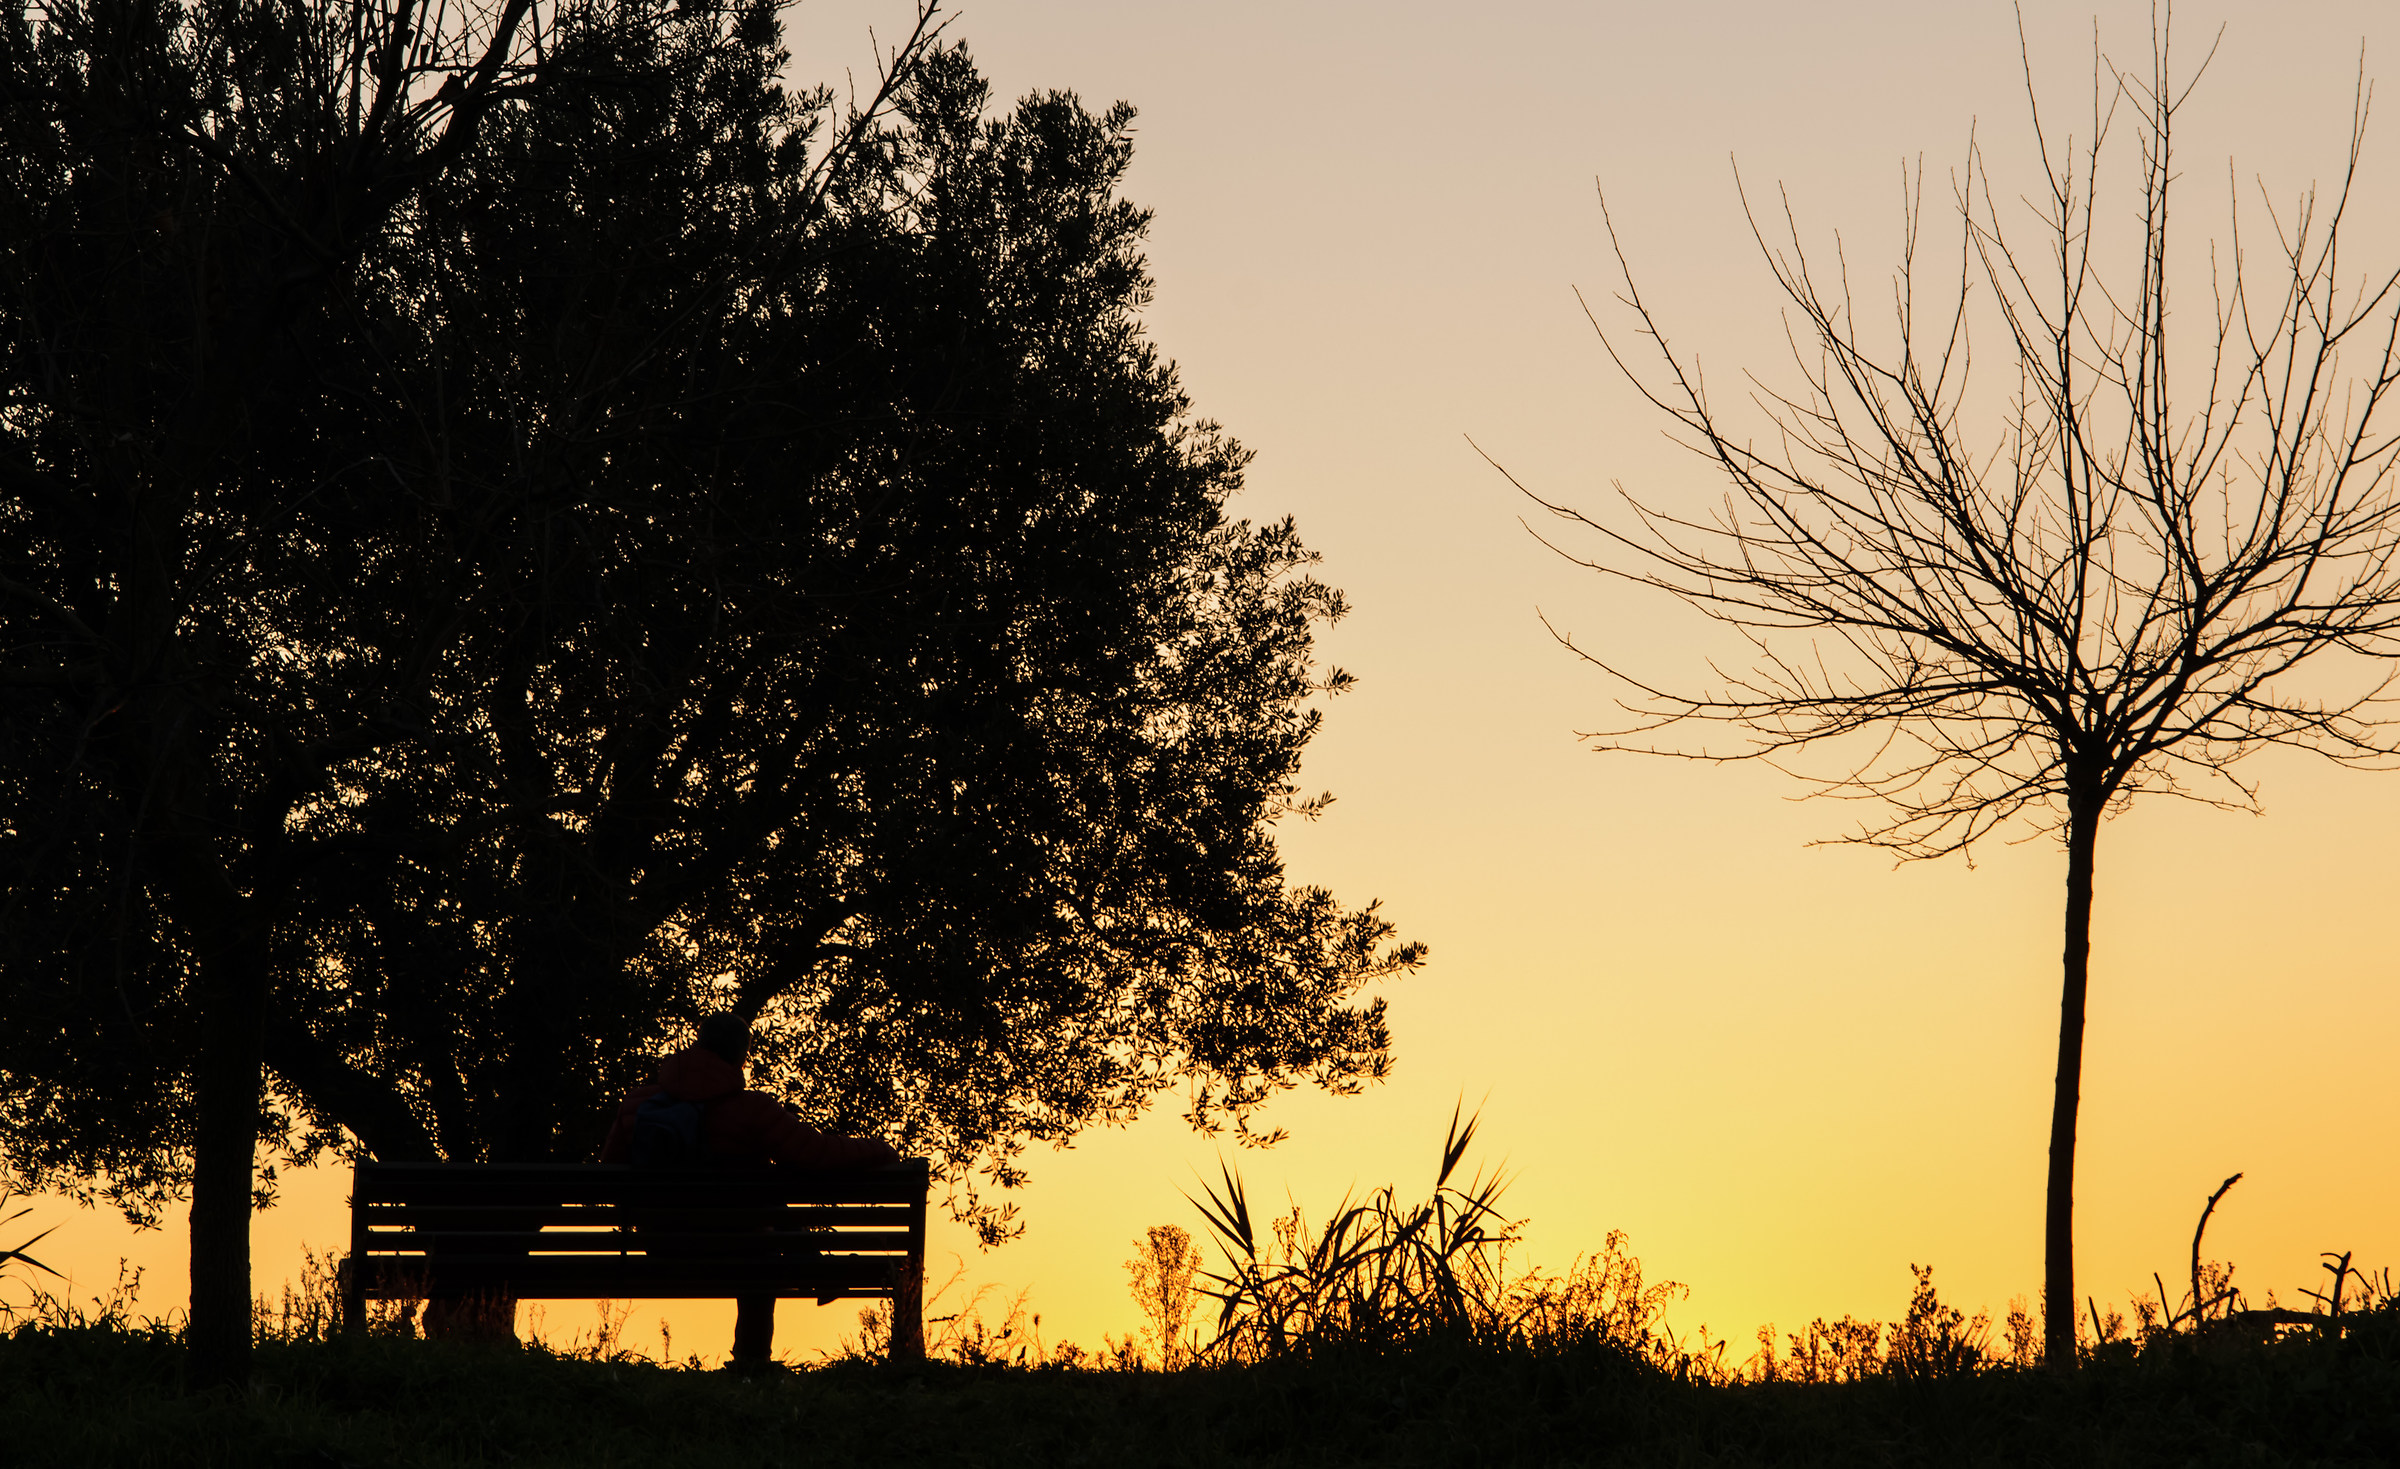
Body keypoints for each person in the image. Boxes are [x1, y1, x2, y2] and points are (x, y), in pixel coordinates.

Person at [600, 1013, 900, 1368]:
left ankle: (815, 1271)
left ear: (698, 1046)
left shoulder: (640, 1104)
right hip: (740, 1251)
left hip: (663, 1244)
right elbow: (817, 1155)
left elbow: (609, 1176)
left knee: (761, 1211)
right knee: (762, 1231)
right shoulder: (752, 1110)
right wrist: (881, 1150)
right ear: (742, 1058)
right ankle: (752, 1361)